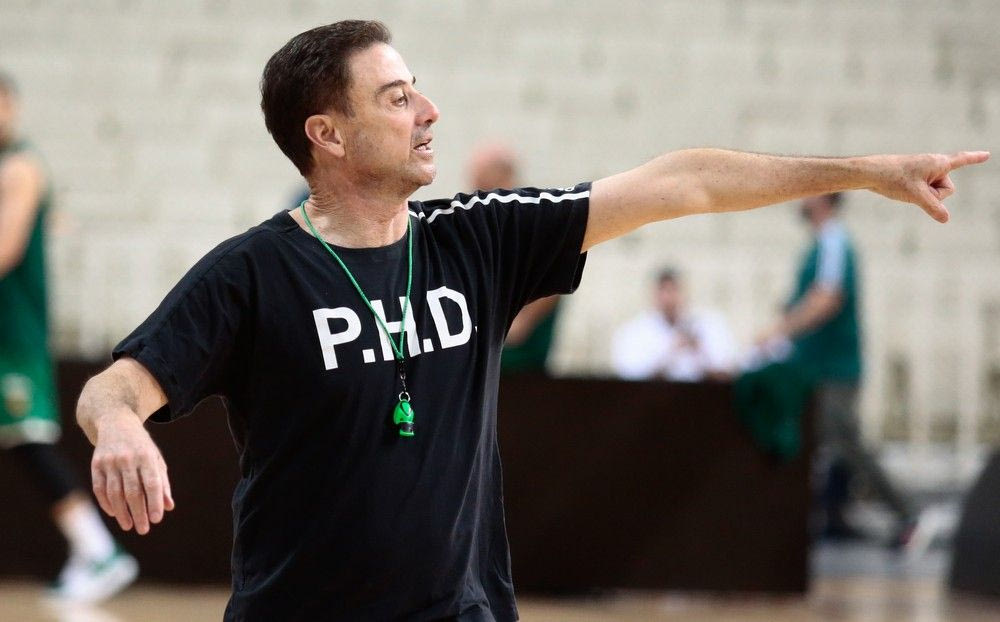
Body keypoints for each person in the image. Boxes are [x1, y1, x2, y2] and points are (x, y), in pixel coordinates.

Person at [72, 20, 988, 621]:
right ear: (329, 134)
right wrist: (119, 426)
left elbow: (683, 183)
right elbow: (116, 386)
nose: (429, 111)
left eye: (418, 88)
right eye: (397, 98)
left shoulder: (482, 237)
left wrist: (863, 171)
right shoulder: (251, 272)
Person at [0, 72, 137, 602]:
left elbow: (6, 249)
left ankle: (98, 550)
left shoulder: (20, 166)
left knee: (28, 439)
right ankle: (95, 549)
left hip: (13, 335)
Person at [758, 193, 918, 545]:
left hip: (834, 369)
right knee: (823, 442)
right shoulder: (821, 244)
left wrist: (780, 329)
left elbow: (826, 298)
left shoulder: (833, 241)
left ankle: (906, 514)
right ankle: (835, 517)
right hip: (816, 367)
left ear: (825, 198)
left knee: (846, 442)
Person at [467, 142, 562, 374]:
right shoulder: (483, 227)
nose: (475, 193)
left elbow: (518, 329)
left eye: (482, 184)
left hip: (519, 366)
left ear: (504, 178)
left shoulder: (535, 225)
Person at [611, 267, 736, 381]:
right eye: (663, 291)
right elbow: (630, 376)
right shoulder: (635, 332)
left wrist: (699, 351)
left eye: (674, 290)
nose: (669, 298)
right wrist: (671, 352)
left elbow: (727, 371)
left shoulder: (708, 324)